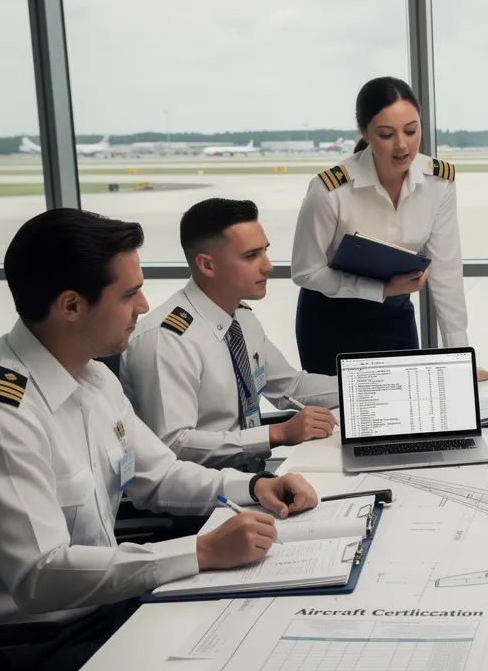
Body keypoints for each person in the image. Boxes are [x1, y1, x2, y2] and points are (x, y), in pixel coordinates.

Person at [0, 208, 318, 671]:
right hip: (18, 652)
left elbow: (158, 475)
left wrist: (251, 488)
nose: (144, 307)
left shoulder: (91, 376)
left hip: (103, 609)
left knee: (256, 654)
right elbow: (41, 576)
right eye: (130, 294)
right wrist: (201, 552)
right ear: (71, 306)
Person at [292, 76, 488, 380]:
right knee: (338, 411)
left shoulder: (438, 182)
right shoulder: (330, 190)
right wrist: (381, 289)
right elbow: (305, 272)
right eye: (386, 134)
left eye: (411, 130)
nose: (402, 145)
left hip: (395, 317)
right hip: (331, 321)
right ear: (364, 132)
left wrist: (460, 357)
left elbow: (446, 271)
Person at [122, 198, 339, 472]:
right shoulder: (168, 339)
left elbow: (291, 389)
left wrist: (368, 385)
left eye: (265, 251)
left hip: (251, 479)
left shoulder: (241, 318)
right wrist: (277, 433)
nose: (268, 266)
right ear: (207, 266)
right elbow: (175, 444)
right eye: (251, 256)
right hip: (200, 492)